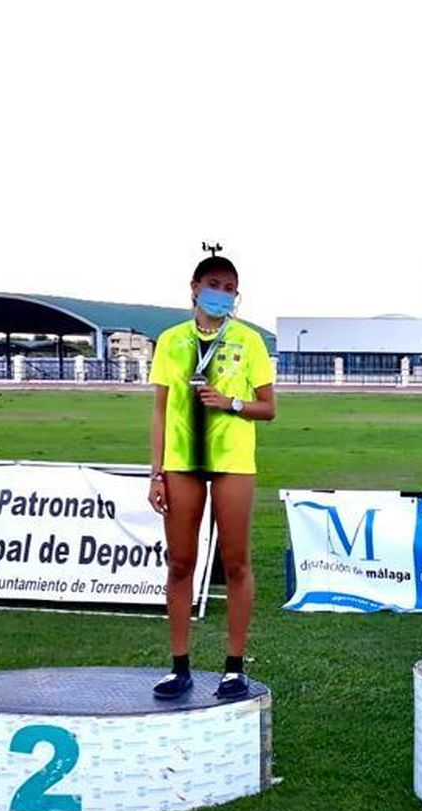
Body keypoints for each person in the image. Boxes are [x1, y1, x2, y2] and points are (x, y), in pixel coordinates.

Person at [147, 255, 277, 700]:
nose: (221, 294)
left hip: (233, 461)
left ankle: (234, 668)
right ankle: (179, 666)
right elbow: (160, 411)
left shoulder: (249, 340)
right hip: (181, 462)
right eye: (214, 284)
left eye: (229, 288)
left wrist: (230, 403)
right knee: (180, 562)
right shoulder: (171, 341)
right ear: (195, 287)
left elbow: (269, 408)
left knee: (236, 562)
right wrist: (156, 473)